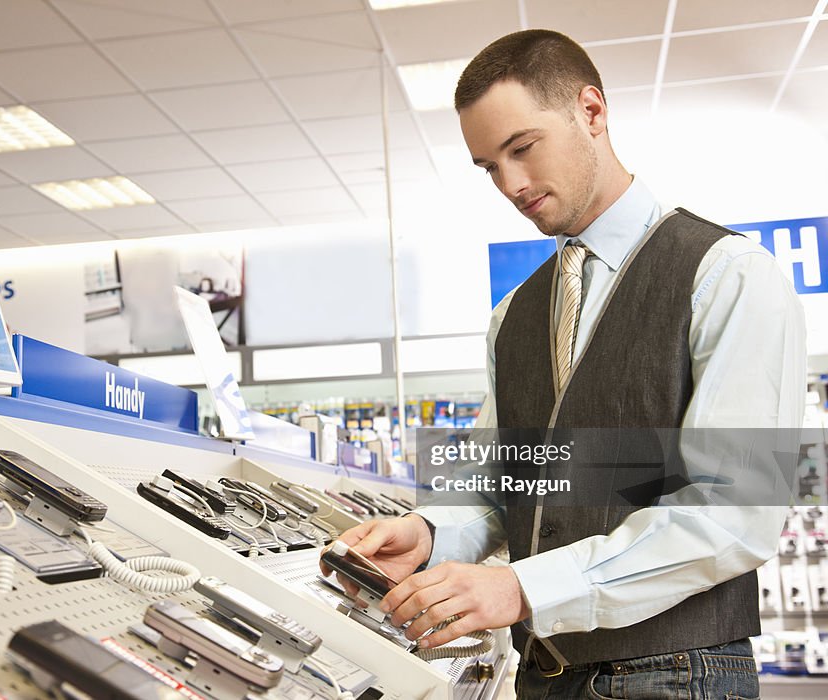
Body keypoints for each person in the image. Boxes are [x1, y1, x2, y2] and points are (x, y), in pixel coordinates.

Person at [322, 29, 805, 699]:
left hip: (679, 676)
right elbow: (509, 484)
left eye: (522, 149)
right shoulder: (513, 313)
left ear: (592, 112)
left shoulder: (730, 276)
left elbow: (734, 514)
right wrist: (430, 534)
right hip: (544, 677)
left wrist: (522, 586)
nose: (511, 185)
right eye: (489, 166)